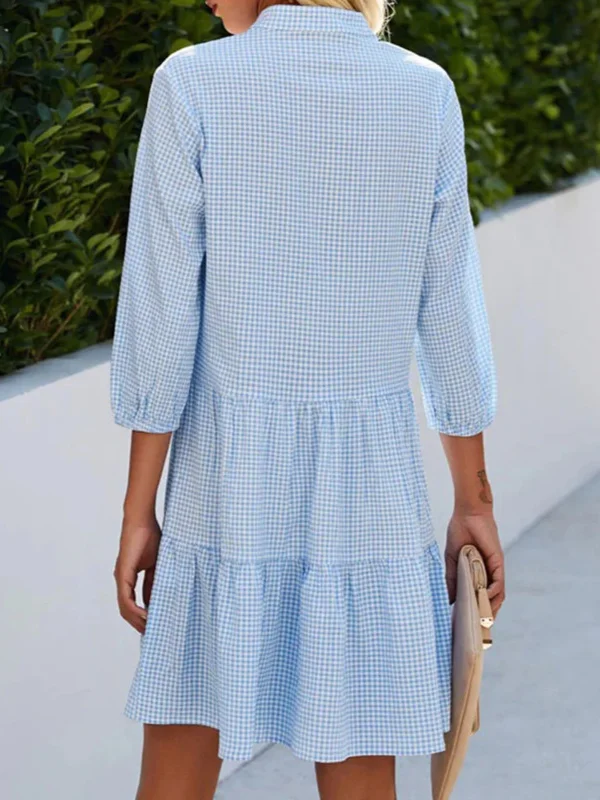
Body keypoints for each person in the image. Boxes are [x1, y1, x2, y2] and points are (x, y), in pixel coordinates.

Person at [110, 1, 506, 798]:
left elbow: (161, 319)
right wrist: (474, 500)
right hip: (370, 492)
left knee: (183, 743)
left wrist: (138, 511)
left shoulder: (192, 83)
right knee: (360, 767)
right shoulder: (423, 90)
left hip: (224, 490)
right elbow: (450, 316)